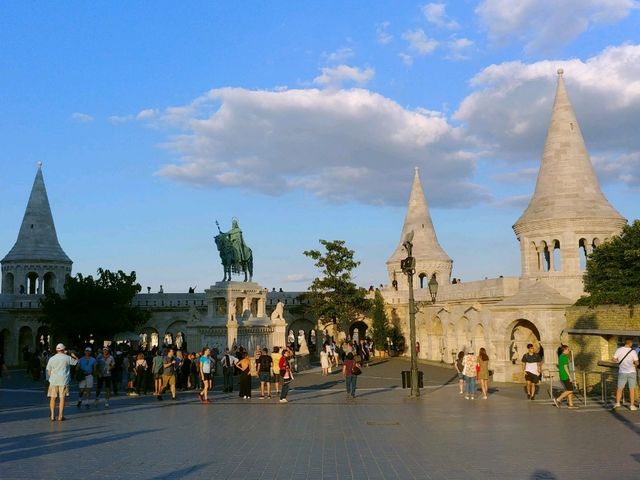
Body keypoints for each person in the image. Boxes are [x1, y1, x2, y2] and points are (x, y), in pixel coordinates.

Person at [46, 343, 78, 421]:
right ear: (63, 349)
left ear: (57, 350)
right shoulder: (67, 358)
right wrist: (73, 355)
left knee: (52, 398)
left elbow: (48, 370)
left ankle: (52, 416)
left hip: (54, 380)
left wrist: (51, 378)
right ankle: (60, 416)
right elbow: (77, 362)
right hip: (64, 380)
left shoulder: (52, 358)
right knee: (62, 398)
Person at [613, 338, 639, 410]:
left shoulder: (619, 350)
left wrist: (618, 362)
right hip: (632, 372)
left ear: (625, 343)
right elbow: (637, 362)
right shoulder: (633, 351)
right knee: (631, 389)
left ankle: (617, 403)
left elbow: (614, 359)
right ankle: (632, 406)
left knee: (620, 388)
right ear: (630, 344)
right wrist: (635, 365)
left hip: (622, 372)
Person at [552, 345, 578, 409]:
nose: (569, 351)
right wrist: (570, 377)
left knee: (569, 389)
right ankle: (558, 399)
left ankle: (570, 404)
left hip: (562, 375)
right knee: (570, 390)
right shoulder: (564, 357)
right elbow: (565, 367)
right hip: (565, 376)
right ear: (564, 350)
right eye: (568, 349)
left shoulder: (561, 356)